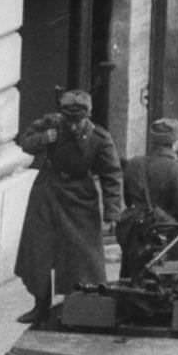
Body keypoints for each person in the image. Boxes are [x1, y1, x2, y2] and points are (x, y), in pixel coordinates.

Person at [13, 89, 123, 324]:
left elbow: (112, 175)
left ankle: (80, 306)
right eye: (69, 118)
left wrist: (113, 212)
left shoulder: (99, 139)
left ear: (88, 115)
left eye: (78, 119)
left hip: (80, 199)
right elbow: (25, 142)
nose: (73, 125)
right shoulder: (51, 125)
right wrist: (45, 138)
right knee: (38, 253)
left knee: (82, 256)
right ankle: (40, 305)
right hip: (47, 193)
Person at [117, 118, 178, 281]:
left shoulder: (133, 164)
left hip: (135, 234)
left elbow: (127, 200)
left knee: (130, 281)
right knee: (164, 287)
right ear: (175, 142)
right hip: (166, 236)